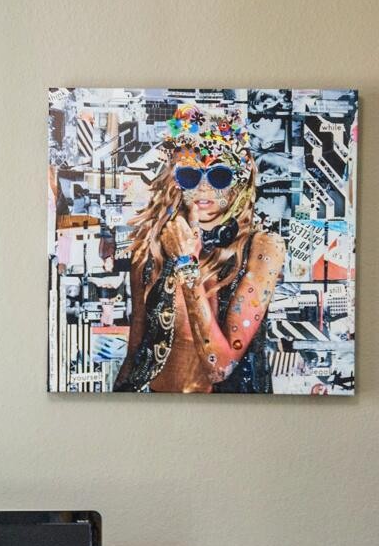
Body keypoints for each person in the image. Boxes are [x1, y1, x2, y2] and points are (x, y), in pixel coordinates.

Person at [113, 104, 284, 393]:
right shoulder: (151, 246)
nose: (203, 188)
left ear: (239, 180)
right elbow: (135, 353)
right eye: (190, 176)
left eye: (218, 176)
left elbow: (220, 367)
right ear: (175, 180)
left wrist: (186, 262)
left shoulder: (263, 248)